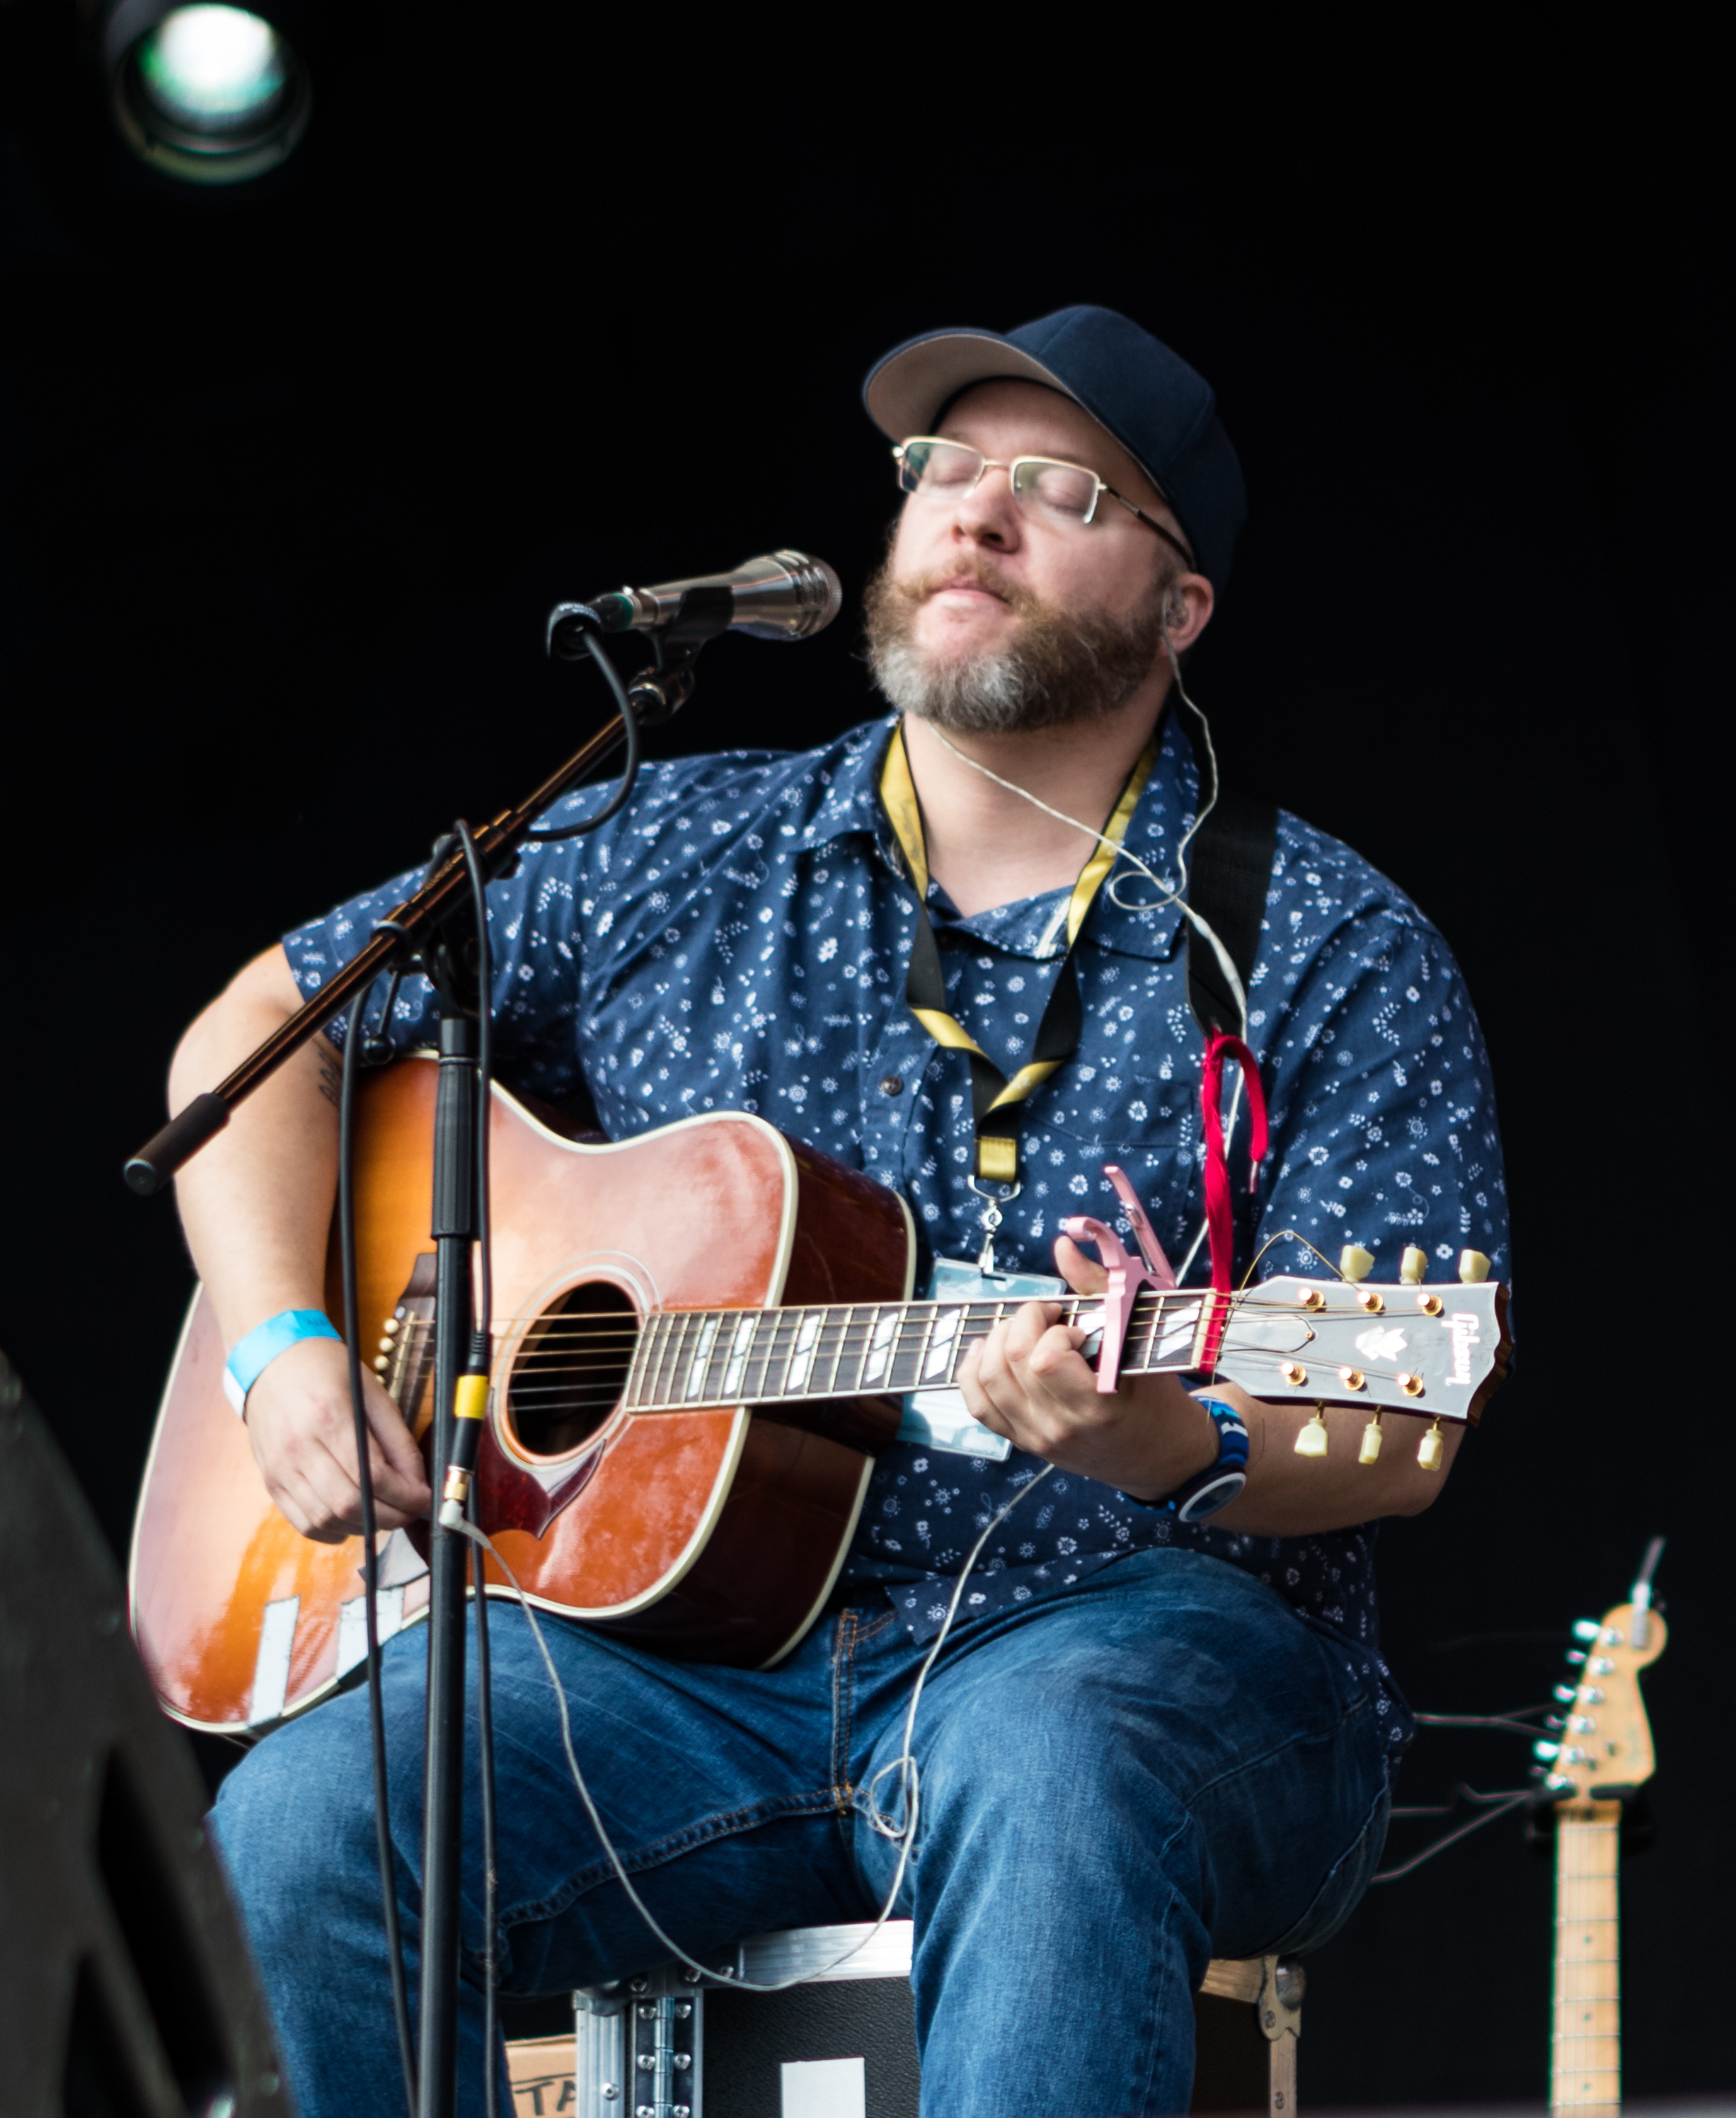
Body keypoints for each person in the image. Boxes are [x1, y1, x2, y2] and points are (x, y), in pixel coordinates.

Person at [171, 306, 1510, 2117]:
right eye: (943, 471)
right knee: (309, 1824)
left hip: (1135, 1647)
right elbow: (255, 1038)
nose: (976, 514)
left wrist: (1155, 1432)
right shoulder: (671, 845)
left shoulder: (1322, 943)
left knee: (1054, 1760)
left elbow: (1395, 1431)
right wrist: (283, 1346)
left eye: (1058, 489)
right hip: (681, 1676)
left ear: (1179, 606)